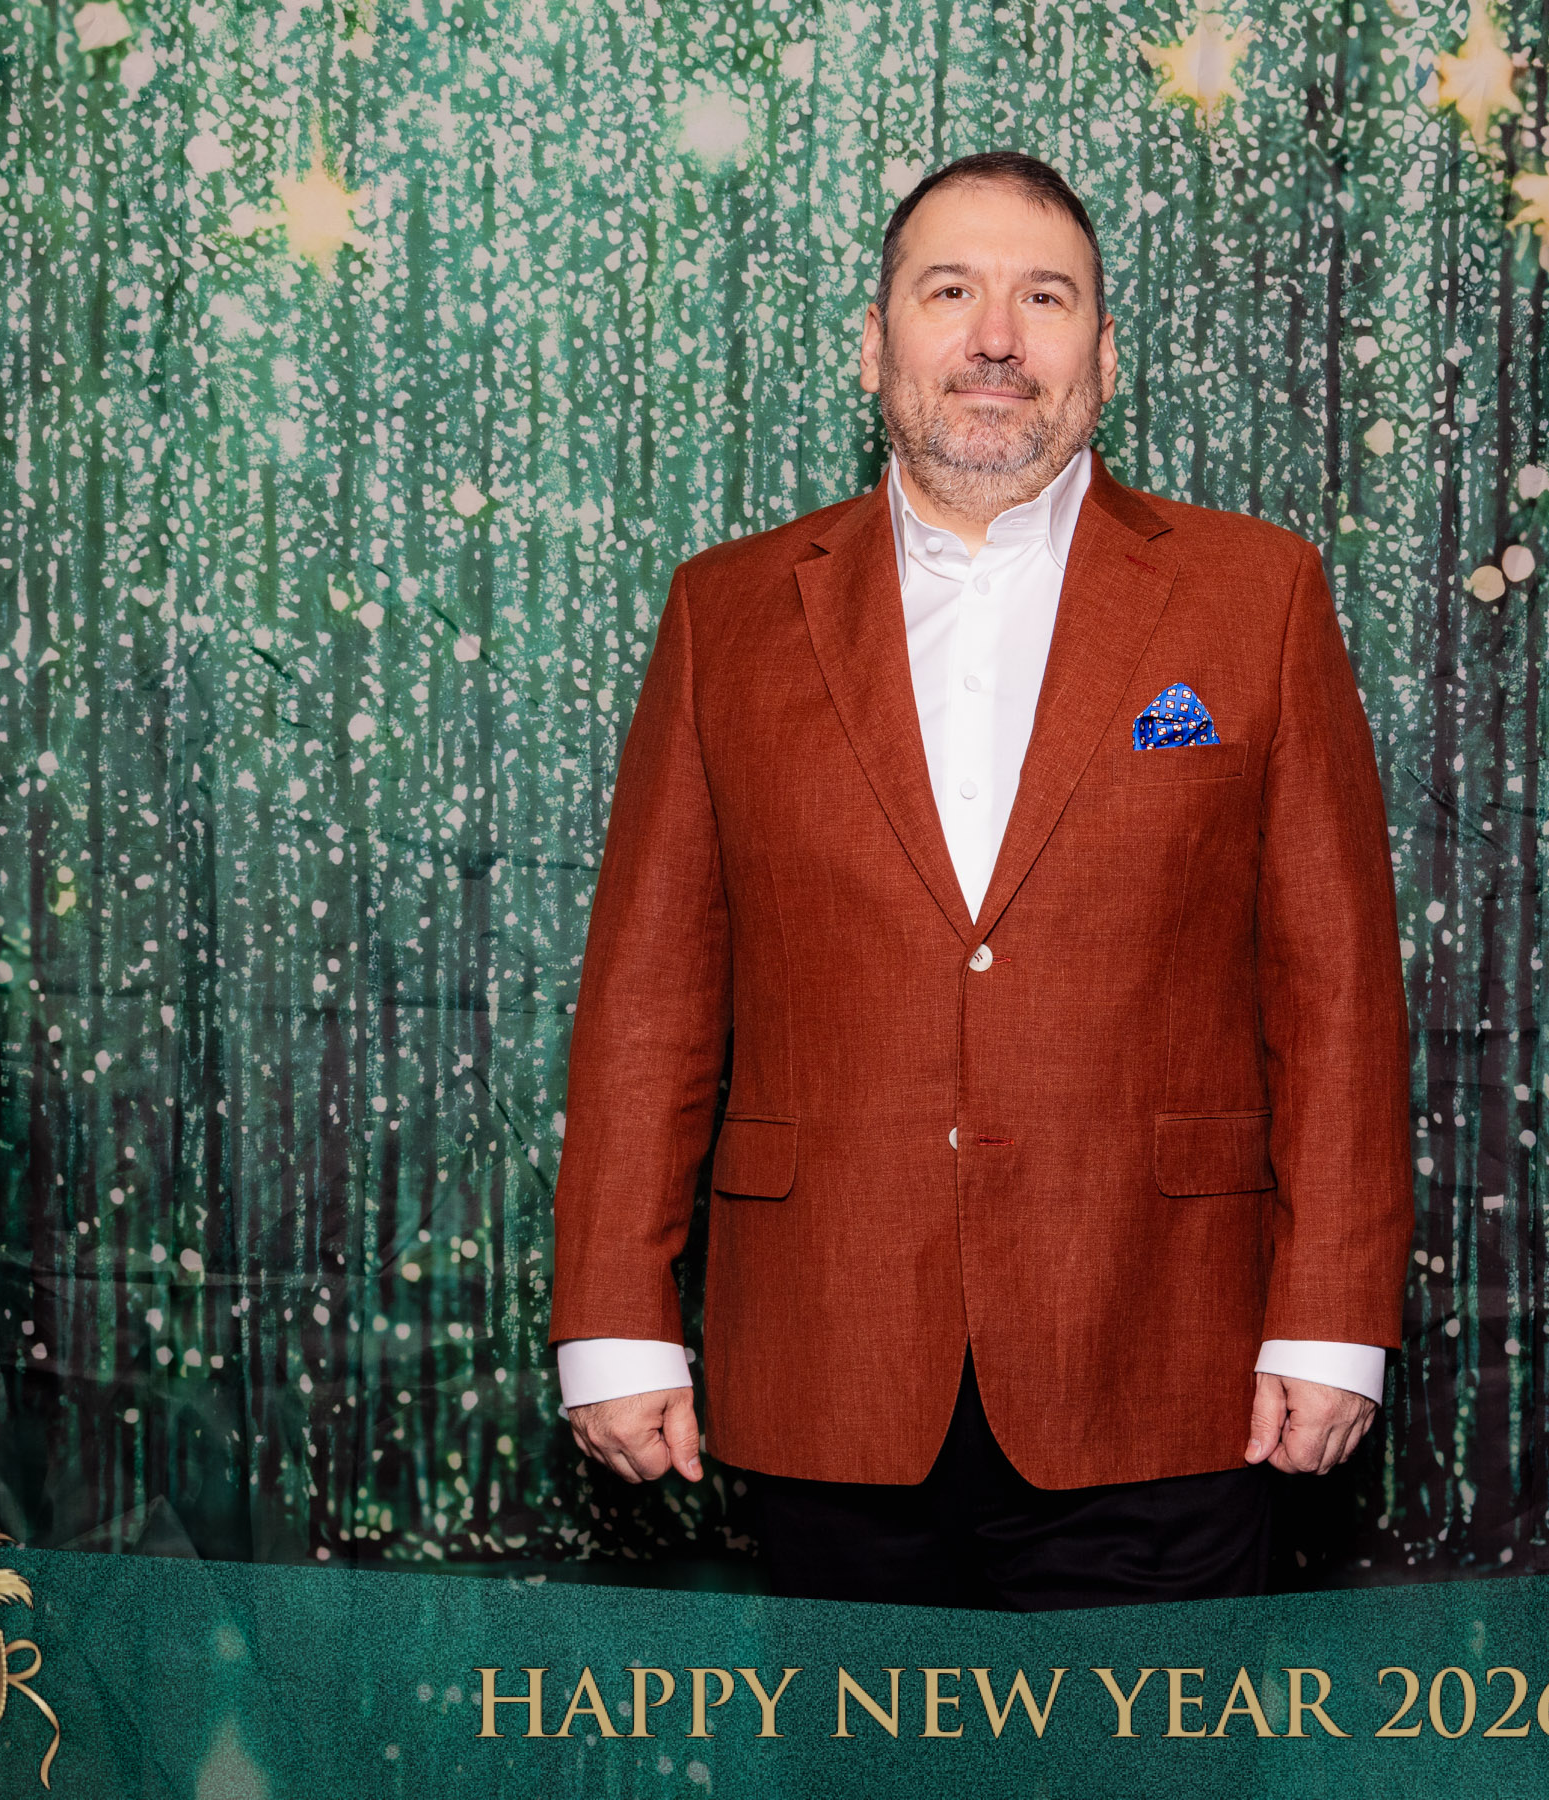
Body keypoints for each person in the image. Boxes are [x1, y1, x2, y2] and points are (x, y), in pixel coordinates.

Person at [548, 150, 1413, 1608]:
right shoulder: (727, 611)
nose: (997, 337)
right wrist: (613, 1318)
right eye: (950, 292)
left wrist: (1332, 1317)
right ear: (874, 345)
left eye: (1045, 298)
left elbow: (1334, 991)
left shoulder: (1256, 593)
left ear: (1105, 355)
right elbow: (652, 997)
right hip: (830, 1367)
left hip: (1169, 1371)